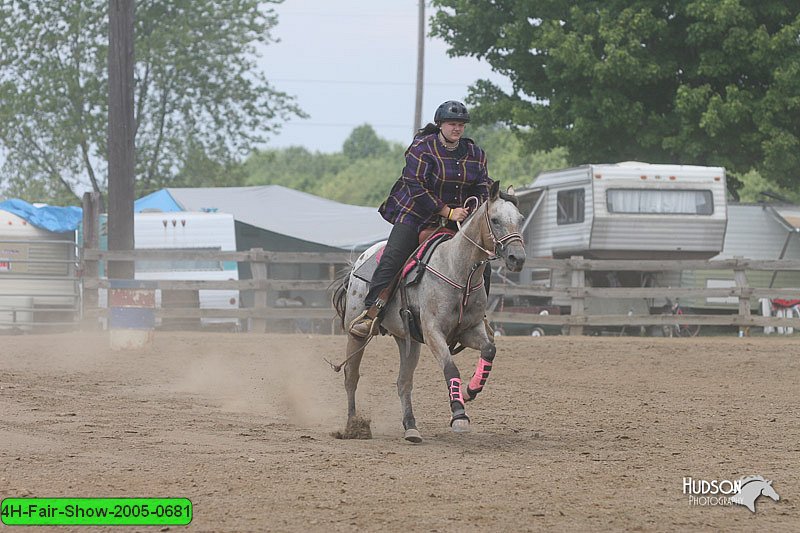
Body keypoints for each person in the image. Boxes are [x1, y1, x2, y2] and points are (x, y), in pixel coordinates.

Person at [349, 100, 493, 338]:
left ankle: (478, 315)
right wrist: (447, 211)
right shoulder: (422, 148)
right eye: (452, 124)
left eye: (460, 125)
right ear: (440, 125)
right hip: (416, 215)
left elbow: (482, 185)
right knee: (394, 256)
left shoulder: (476, 154)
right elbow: (415, 186)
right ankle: (371, 312)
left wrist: (473, 206)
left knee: (481, 262)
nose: (457, 128)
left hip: (457, 220)